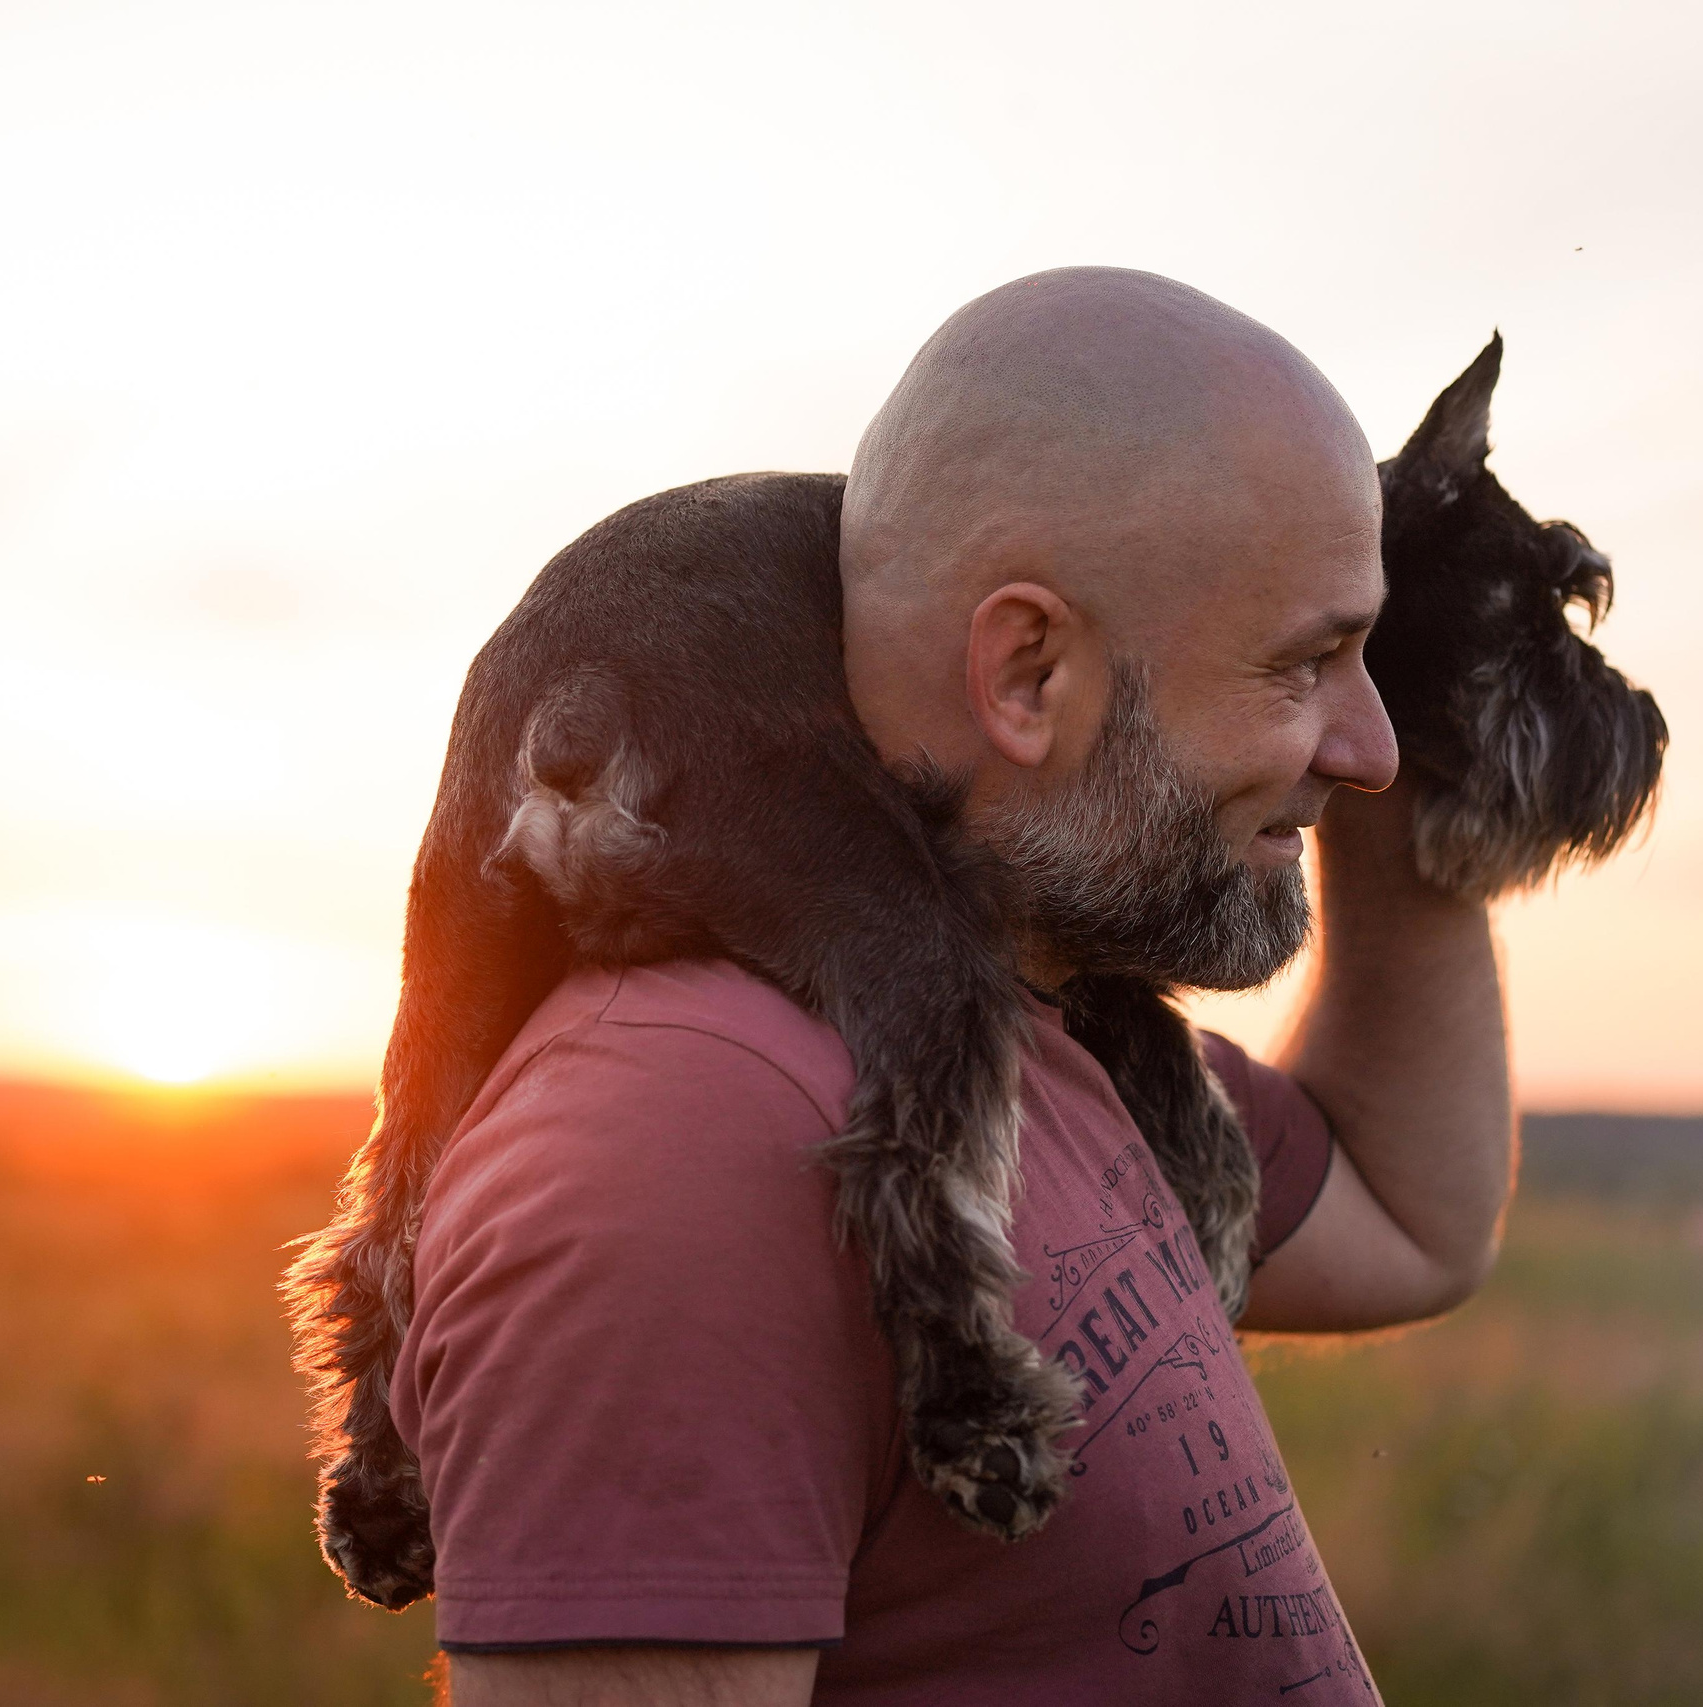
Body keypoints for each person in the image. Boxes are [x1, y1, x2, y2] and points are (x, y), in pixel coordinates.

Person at [393, 268, 1510, 1704]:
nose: (1371, 749)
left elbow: (1418, 1223)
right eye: (1308, 663)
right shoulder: (683, 1153)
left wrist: (1447, 770)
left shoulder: (1045, 1026)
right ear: (1029, 672)